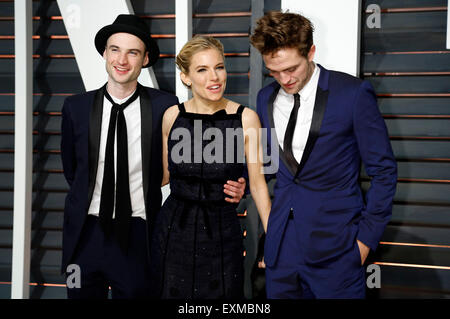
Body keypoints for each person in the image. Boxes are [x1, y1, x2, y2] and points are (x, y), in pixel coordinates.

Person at [60, 15, 246, 299]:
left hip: (139, 233)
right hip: (85, 234)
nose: (122, 60)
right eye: (115, 49)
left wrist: (238, 181)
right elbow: (73, 170)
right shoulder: (75, 107)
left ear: (145, 59)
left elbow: (199, 154)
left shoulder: (165, 106)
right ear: (104, 53)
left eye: (132, 52)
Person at [249, 11, 397, 298]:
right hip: (282, 251)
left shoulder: (352, 94)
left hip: (337, 249)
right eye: (274, 71)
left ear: (311, 52)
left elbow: (384, 171)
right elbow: (275, 162)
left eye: (291, 68)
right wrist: (245, 179)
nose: (284, 79)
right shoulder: (264, 98)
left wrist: (364, 243)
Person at [148, 36, 271, 299]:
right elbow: (162, 177)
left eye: (219, 67)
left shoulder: (247, 118)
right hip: (173, 231)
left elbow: (259, 184)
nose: (214, 77)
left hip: (222, 233)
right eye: (202, 70)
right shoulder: (172, 116)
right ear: (186, 77)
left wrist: (273, 237)